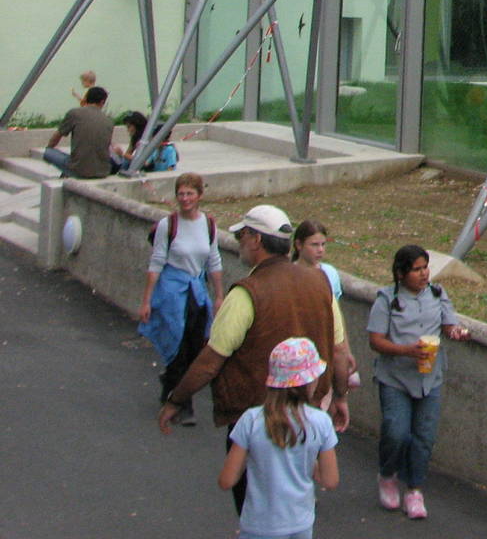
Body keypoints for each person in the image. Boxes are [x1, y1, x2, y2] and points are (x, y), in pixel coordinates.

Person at [158, 204, 350, 517]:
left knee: (254, 510)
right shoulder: (320, 284)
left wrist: (175, 400)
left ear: (256, 240)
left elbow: (210, 361)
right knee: (296, 507)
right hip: (306, 418)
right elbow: (340, 351)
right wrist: (340, 396)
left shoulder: (247, 293)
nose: (239, 243)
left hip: (257, 422)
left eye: (243, 236)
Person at [368, 244, 470, 521]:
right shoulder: (387, 300)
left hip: (429, 378)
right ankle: (388, 475)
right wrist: (406, 351)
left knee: (424, 437)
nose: (424, 274)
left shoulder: (437, 294)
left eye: (426, 267)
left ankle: (415, 489)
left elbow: (449, 324)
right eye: (417, 269)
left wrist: (457, 331)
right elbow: (375, 340)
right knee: (396, 431)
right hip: (396, 378)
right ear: (401, 274)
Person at [219, 337, 340, 539]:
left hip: (258, 526)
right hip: (300, 524)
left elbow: (227, 480)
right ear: (309, 381)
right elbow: (330, 480)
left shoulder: (250, 420)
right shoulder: (321, 423)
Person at [137, 171, 223, 426]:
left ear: (200, 195)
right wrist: (147, 300)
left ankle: (171, 386)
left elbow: (213, 260)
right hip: (172, 293)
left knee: (196, 348)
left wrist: (218, 296)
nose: (185, 199)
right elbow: (157, 262)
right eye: (181, 194)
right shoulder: (168, 225)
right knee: (179, 346)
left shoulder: (208, 224)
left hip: (197, 292)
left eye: (190, 193)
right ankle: (183, 405)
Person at [293, 219, 360, 401]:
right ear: (298, 245)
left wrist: (346, 350)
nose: (320, 250)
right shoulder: (290, 273)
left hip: (326, 347)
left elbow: (336, 316)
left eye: (323, 245)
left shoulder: (329, 273)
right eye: (314, 245)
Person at [41, 85, 123, 177]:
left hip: (78, 170)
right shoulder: (109, 121)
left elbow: (57, 136)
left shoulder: (74, 113)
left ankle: (67, 174)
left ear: (87, 98)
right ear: (102, 102)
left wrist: (49, 148)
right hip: (102, 171)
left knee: (49, 153)